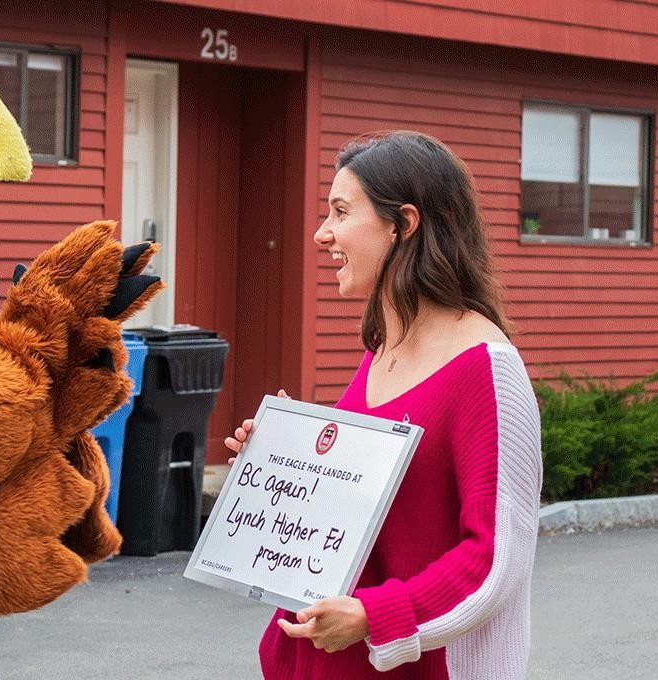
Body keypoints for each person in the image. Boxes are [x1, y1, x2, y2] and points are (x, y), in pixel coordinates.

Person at [225, 131, 543, 679]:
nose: (323, 233)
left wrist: (377, 615)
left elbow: (495, 560)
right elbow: (367, 509)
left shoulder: (486, 368)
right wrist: (282, 465)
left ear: (404, 225)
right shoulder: (381, 350)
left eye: (342, 212)